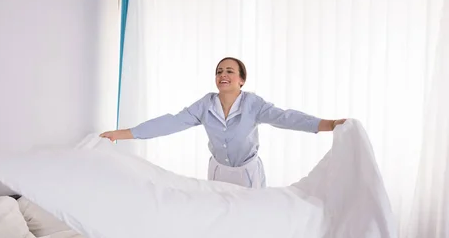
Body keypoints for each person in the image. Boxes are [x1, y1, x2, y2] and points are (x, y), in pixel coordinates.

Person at [100, 57, 346, 188]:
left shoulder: (253, 104)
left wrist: (331, 124)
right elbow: (171, 123)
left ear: (241, 80)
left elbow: (286, 118)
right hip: (217, 170)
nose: (223, 75)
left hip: (247, 173)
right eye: (219, 71)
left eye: (229, 71)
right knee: (220, 219)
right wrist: (121, 134)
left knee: (248, 221)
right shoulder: (205, 104)